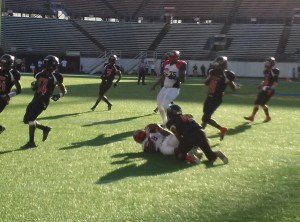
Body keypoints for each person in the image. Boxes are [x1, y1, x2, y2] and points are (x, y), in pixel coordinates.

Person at [22, 55, 67, 148]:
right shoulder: (39, 74)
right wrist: (34, 86)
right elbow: (38, 86)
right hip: (35, 98)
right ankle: (45, 128)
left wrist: (59, 95)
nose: (45, 66)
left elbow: (64, 90)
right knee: (26, 120)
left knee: (31, 118)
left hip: (43, 101)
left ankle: (31, 142)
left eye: (47, 64)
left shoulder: (56, 76)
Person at [201, 56, 239, 140]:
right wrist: (211, 76)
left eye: (217, 65)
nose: (215, 66)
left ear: (222, 65)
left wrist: (232, 83)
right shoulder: (212, 72)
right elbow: (206, 83)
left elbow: (234, 88)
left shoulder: (226, 75)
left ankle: (199, 134)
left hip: (216, 98)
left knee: (205, 118)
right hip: (209, 96)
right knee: (206, 117)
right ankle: (222, 129)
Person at [133, 123, 203, 164]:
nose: (141, 135)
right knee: (168, 151)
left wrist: (159, 128)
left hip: (166, 139)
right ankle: (191, 157)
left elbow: (165, 132)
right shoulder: (143, 145)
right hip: (161, 147)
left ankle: (194, 150)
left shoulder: (151, 130)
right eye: (139, 136)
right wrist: (148, 137)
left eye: (141, 133)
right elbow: (151, 149)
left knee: (177, 138)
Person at [150, 50, 186, 126]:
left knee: (165, 104)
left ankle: (176, 116)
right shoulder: (166, 63)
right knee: (159, 105)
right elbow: (164, 76)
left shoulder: (181, 64)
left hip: (174, 88)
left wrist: (173, 76)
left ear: (177, 57)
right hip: (165, 87)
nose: (171, 58)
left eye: (173, 57)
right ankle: (165, 122)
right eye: (170, 57)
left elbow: (183, 79)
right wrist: (155, 85)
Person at [244, 57, 279, 122]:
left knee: (262, 103)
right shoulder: (265, 71)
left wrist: (271, 89)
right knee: (257, 102)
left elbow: (275, 82)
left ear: (271, 64)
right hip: (265, 88)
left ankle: (267, 117)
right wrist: (260, 85)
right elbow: (265, 80)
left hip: (270, 89)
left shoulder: (275, 71)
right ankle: (252, 116)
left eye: (267, 62)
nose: (266, 63)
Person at [0, 54, 22, 134]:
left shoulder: (13, 73)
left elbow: (19, 90)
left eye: (4, 64)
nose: (2, 66)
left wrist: (8, 95)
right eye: (1, 63)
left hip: (3, 98)